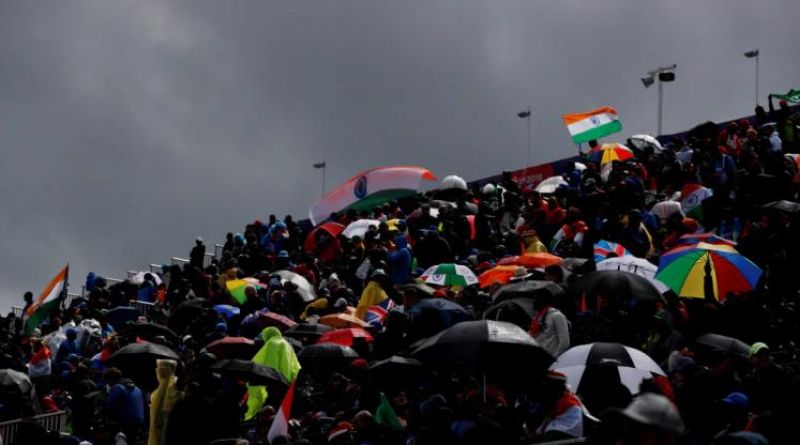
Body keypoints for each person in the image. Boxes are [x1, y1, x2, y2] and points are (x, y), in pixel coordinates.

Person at [105, 368, 145, 442]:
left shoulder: (117, 388)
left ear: (111, 380)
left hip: (125, 424)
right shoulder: (137, 388)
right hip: (139, 422)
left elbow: (109, 405)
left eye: (108, 382)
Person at [148, 359, 182, 445]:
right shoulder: (166, 385)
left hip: (167, 429)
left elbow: (161, 414)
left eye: (159, 370)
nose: (157, 373)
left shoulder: (170, 386)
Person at [529, 293, 570, 357]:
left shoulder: (557, 316)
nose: (534, 301)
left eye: (537, 299)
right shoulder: (537, 317)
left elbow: (564, 342)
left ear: (544, 301)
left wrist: (554, 357)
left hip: (551, 358)